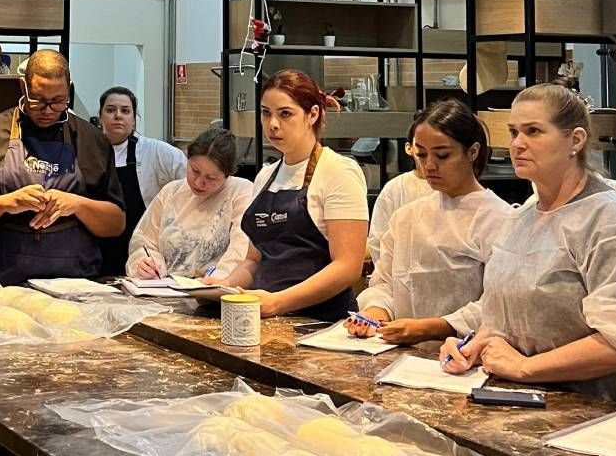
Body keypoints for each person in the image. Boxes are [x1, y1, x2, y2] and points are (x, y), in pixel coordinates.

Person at [440, 84, 616, 403]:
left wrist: (525, 367)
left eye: (533, 131)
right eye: (513, 132)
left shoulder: (612, 220)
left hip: (600, 407)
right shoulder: (521, 218)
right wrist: (474, 344)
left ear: (575, 140)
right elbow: (506, 313)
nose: (517, 144)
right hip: (527, 399)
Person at [0, 50, 125, 284]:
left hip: (74, 285)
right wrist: (5, 203)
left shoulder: (92, 140)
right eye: (38, 100)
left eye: (58, 101)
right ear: (23, 87)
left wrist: (77, 205)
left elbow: (116, 224)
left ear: (69, 90)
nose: (48, 110)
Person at [346, 101, 514, 345]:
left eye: (442, 155)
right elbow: (385, 284)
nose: (429, 165)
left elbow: (499, 305)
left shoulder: (499, 219)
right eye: (422, 154)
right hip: (402, 354)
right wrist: (375, 312)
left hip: (466, 356)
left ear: (473, 152)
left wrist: (433, 328)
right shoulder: (406, 217)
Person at [218, 70, 368, 320]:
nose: (273, 124)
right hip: (269, 318)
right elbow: (253, 261)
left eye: (285, 113)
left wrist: (278, 302)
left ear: (313, 114)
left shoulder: (338, 171)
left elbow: (348, 267)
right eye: (266, 113)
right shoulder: (265, 176)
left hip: (321, 324)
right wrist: (223, 287)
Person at [125, 127, 253, 280]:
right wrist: (146, 263)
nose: (199, 182)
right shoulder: (171, 192)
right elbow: (143, 241)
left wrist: (218, 280)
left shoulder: (241, 192)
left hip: (215, 289)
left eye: (211, 178)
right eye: (195, 170)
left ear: (228, 175)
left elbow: (241, 251)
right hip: (165, 287)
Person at [95, 85, 186, 276]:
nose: (118, 116)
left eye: (125, 111)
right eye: (110, 110)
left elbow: (190, 182)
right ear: (100, 116)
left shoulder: (156, 152)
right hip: (96, 250)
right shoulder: (88, 151)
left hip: (141, 254)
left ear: (134, 119)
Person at [367, 133, 431, 260]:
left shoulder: (455, 188)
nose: (430, 161)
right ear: (409, 148)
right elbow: (378, 241)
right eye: (422, 153)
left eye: (441, 154)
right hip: (400, 270)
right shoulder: (395, 188)